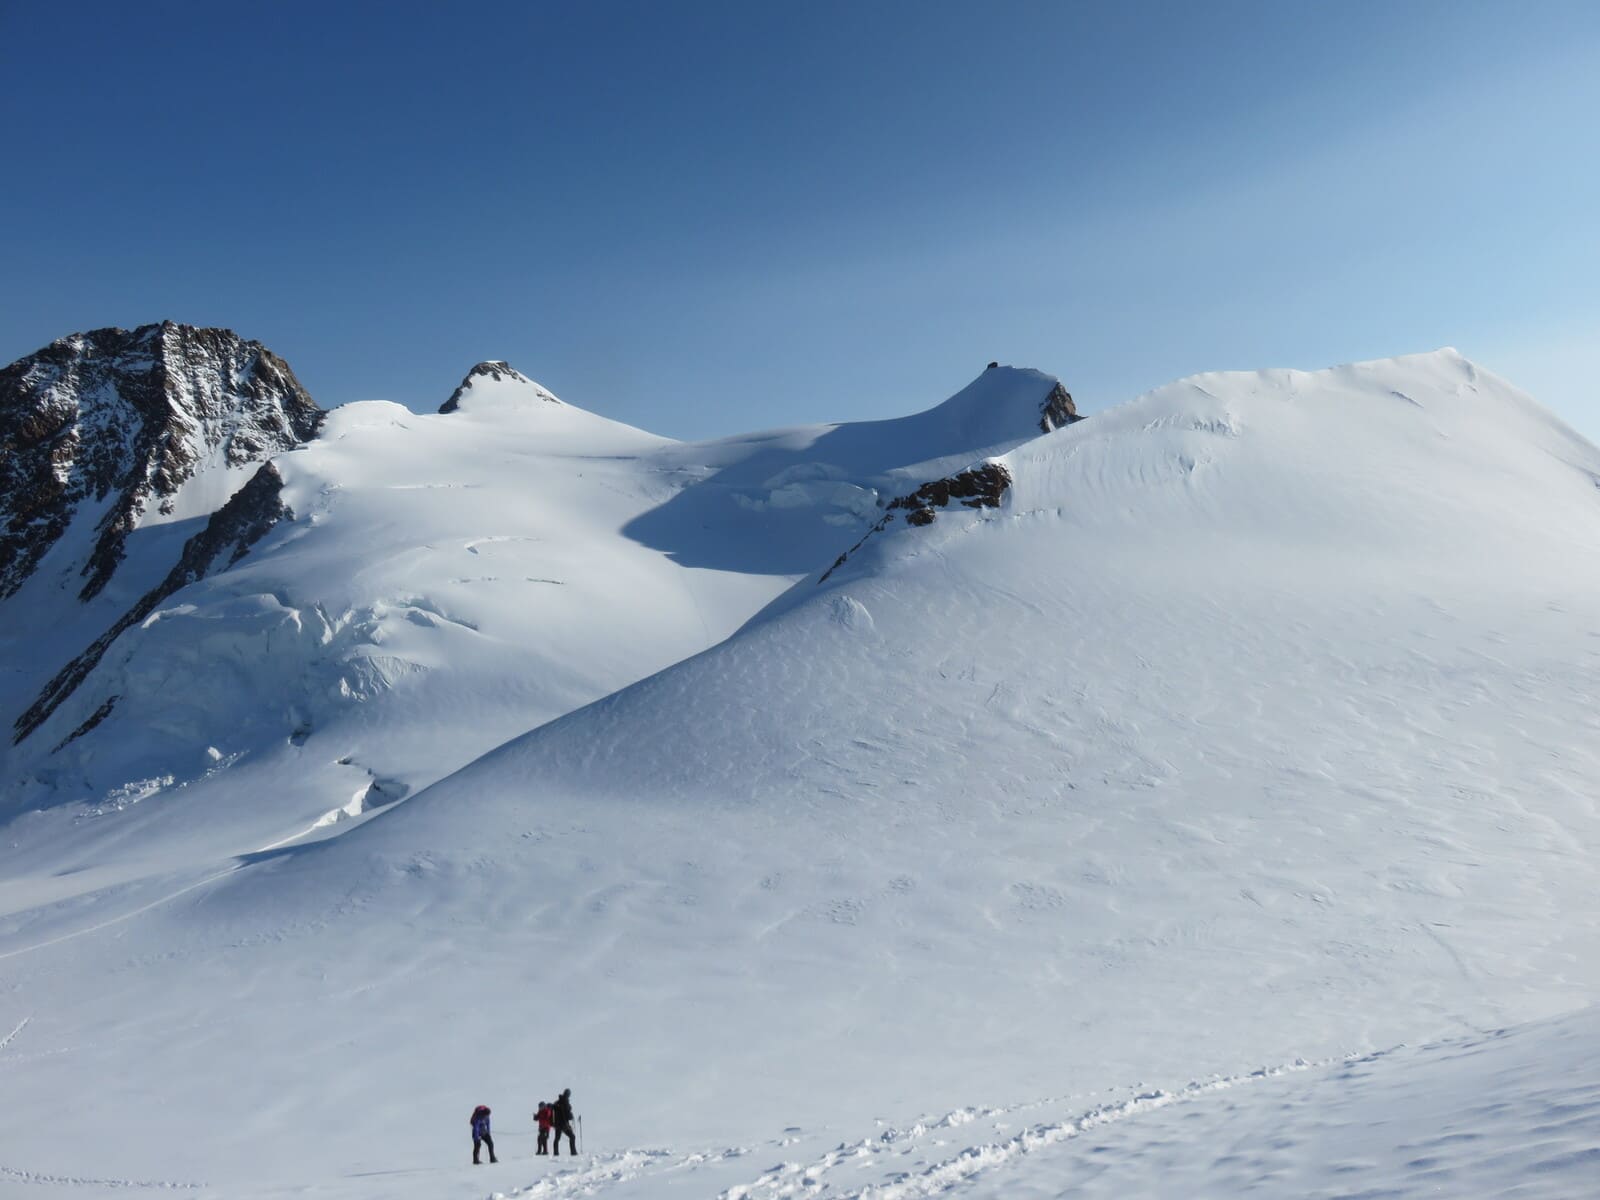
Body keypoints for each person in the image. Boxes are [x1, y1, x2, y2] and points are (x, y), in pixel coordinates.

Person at [551, 1088, 577, 1156]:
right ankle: (573, 1152)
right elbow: (567, 1114)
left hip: (557, 1124)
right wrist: (571, 1116)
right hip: (564, 1124)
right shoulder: (565, 1102)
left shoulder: (557, 1102)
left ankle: (556, 1153)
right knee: (572, 1137)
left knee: (557, 1138)